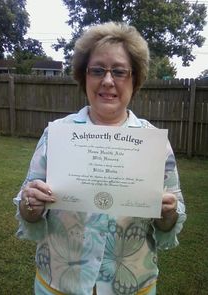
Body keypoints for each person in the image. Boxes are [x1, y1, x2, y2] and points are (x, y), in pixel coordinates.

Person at [13, 22, 186, 295]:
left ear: (135, 79)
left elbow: (170, 222)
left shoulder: (154, 143)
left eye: (119, 71)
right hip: (58, 284)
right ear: (85, 77)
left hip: (131, 286)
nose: (108, 81)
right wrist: (29, 205)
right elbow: (28, 209)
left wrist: (168, 213)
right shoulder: (57, 134)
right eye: (97, 70)